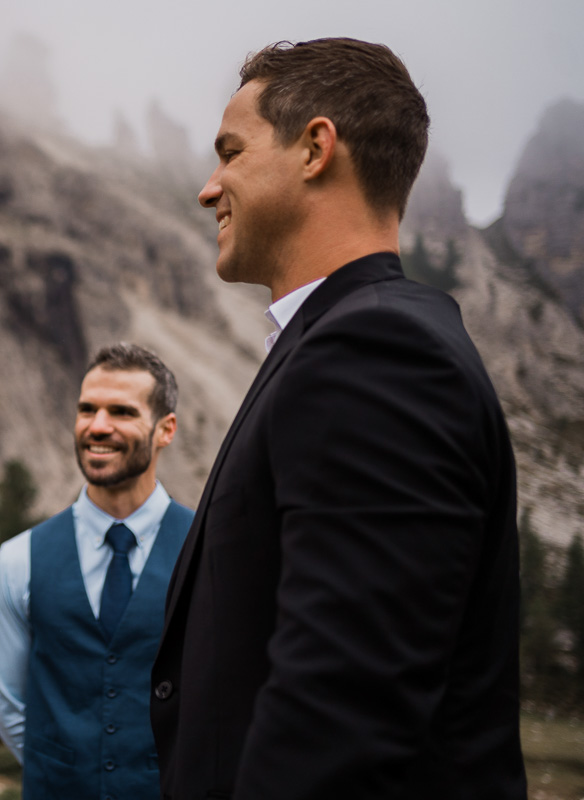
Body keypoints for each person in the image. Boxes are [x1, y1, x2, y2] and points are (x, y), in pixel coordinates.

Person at [151, 38, 526, 799]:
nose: (208, 186)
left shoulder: (376, 352)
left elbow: (342, 714)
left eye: (231, 151)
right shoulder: (348, 340)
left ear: (316, 148)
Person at [0, 343, 196, 800]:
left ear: (166, 430)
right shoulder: (18, 559)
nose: (98, 427)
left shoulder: (208, 550)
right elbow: (8, 705)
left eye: (121, 411)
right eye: (87, 409)